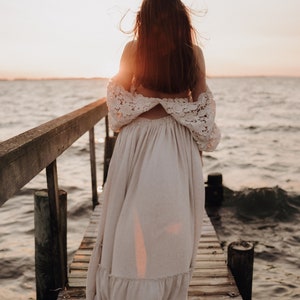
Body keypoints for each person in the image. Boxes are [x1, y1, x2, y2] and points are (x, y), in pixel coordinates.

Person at [86, 0, 220, 299]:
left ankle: (128, 285)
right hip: (176, 143)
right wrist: (176, 106)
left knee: (130, 217)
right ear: (180, 19)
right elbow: (202, 108)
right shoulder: (193, 54)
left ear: (145, 18)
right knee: (171, 216)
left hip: (137, 140)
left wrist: (143, 99)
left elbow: (117, 98)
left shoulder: (134, 50)